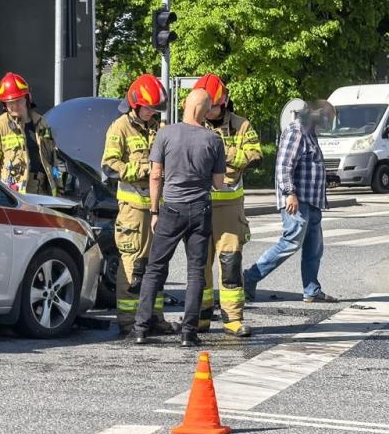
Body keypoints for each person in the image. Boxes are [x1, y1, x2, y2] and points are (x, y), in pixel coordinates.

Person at [132, 87, 226, 346]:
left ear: (185, 105)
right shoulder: (213, 140)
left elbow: (155, 175)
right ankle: (188, 333)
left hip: (171, 209)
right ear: (204, 111)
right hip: (200, 210)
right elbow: (218, 183)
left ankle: (140, 329)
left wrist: (154, 211)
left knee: (155, 269)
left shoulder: (165, 134)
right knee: (196, 272)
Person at [243, 97, 334, 305]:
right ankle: (249, 277)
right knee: (291, 241)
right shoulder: (296, 131)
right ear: (314, 112)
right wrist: (290, 192)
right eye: (325, 116)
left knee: (314, 247)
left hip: (311, 201)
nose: (327, 121)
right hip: (297, 200)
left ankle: (311, 290)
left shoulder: (310, 133)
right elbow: (284, 166)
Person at [102, 75, 173, 334]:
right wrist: (145, 169)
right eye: (148, 107)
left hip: (158, 206)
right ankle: (130, 321)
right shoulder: (119, 128)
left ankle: (154, 317)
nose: (152, 112)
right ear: (134, 104)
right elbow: (109, 166)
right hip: (133, 209)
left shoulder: (158, 128)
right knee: (133, 264)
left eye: (154, 108)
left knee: (158, 264)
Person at [196, 73, 261, 338]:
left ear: (223, 103)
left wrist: (223, 152)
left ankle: (233, 318)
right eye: (204, 106)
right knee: (199, 263)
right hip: (200, 204)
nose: (207, 112)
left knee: (230, 263)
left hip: (229, 208)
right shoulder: (194, 124)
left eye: (211, 106)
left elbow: (256, 155)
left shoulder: (241, 125)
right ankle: (200, 316)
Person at [0, 72, 61, 196]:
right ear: (4, 104)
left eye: (18, 100)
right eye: (9, 102)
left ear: (27, 98)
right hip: (15, 196)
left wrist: (59, 187)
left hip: (44, 192)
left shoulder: (41, 122)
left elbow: (53, 159)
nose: (14, 106)